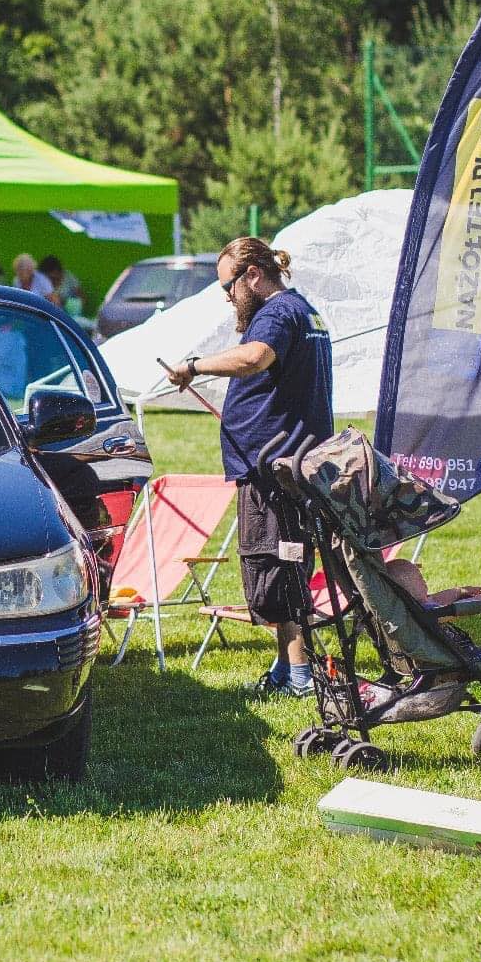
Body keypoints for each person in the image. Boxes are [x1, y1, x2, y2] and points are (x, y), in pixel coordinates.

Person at [166, 237, 333, 698]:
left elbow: (253, 357)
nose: (228, 297)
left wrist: (195, 366)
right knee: (278, 562)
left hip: (276, 468)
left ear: (253, 276)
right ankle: (285, 666)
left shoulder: (278, 314)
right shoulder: (303, 312)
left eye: (229, 287)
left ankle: (299, 673)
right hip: (282, 464)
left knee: (279, 565)